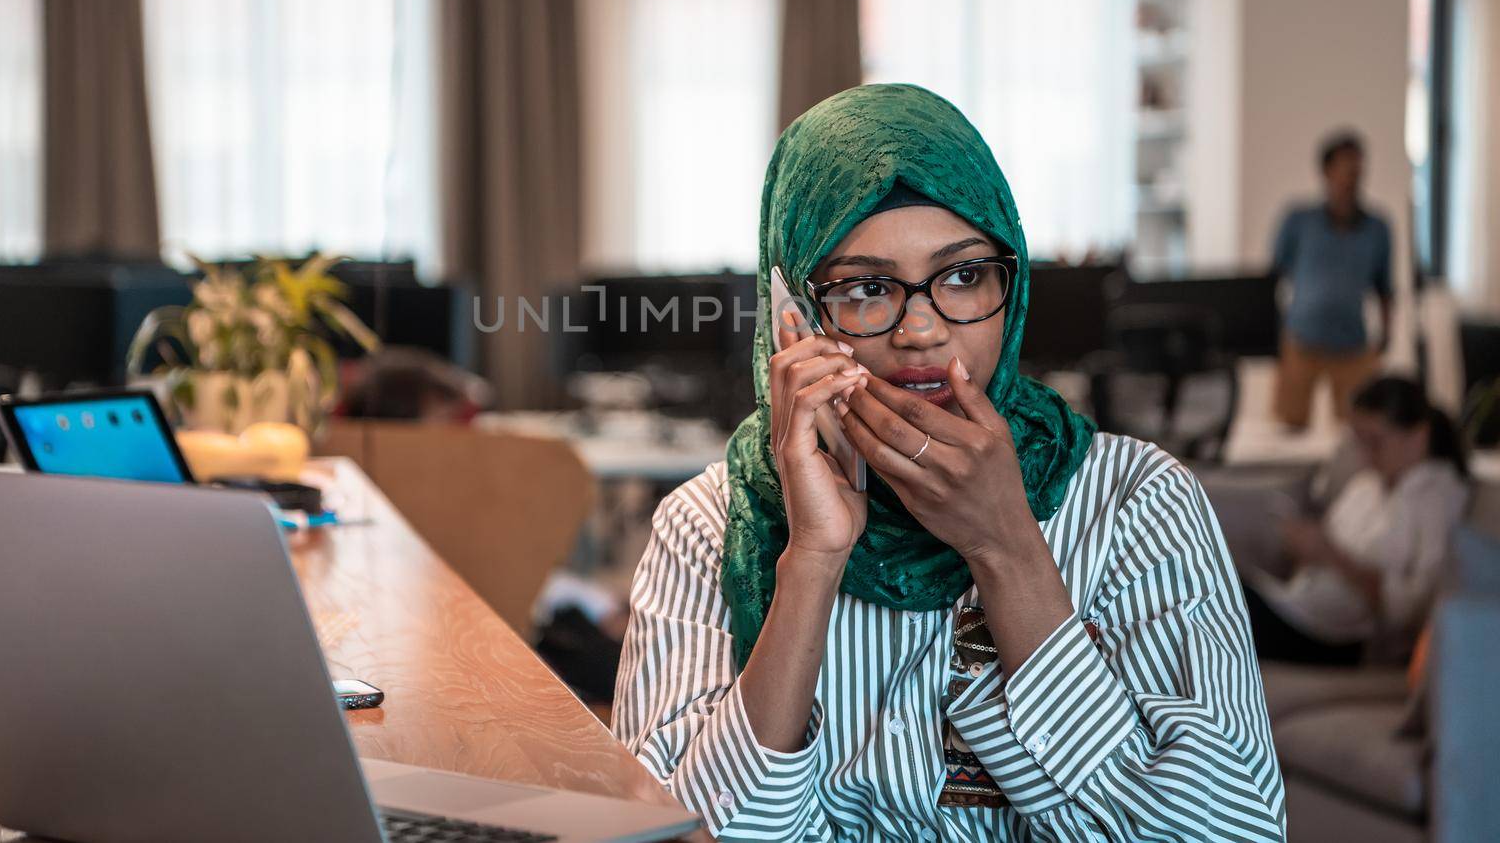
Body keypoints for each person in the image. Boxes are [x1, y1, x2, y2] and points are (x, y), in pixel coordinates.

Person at [612, 85, 1283, 841]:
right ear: (793, 312)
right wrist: (809, 561)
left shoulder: (1135, 502)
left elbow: (1233, 831)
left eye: (963, 275)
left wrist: (1007, 546)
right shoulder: (710, 526)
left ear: (1012, 281)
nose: (923, 330)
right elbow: (669, 832)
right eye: (867, 288)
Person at [1243, 375, 1469, 665]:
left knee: (1214, 603)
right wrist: (1304, 547)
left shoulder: (1438, 497)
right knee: (1203, 583)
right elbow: (1319, 555)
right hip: (1299, 606)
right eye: (1359, 442)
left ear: (1418, 437)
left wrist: (1331, 556)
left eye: (1375, 442)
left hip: (1342, 636)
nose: (1365, 455)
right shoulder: (1366, 486)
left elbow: (1413, 611)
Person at [1271, 129, 1394, 430]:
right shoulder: (1299, 221)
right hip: (1301, 339)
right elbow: (1272, 278)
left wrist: (1386, 334)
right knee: (1289, 425)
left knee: (1360, 427)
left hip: (1353, 343)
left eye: (1358, 167)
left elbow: (1385, 287)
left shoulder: (1377, 228)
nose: (1353, 176)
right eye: (1346, 167)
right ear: (1327, 171)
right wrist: (1272, 331)